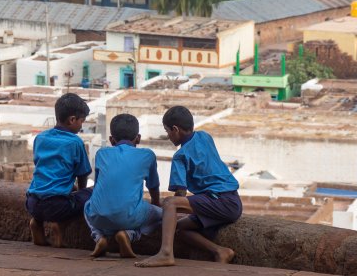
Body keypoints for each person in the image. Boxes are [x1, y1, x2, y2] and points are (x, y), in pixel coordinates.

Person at [136, 106, 241, 268]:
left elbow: (180, 194)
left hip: (220, 201)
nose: (168, 136)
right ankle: (220, 251)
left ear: (175, 129)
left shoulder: (180, 156)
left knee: (170, 203)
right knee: (179, 229)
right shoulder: (205, 136)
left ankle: (165, 253)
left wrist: (164, 209)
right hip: (231, 200)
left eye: (167, 131)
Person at [85, 114, 161, 259]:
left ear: (111, 140)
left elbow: (99, 185)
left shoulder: (101, 153)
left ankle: (99, 237)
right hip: (130, 216)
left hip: (98, 217)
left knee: (87, 205)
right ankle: (129, 235)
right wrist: (156, 204)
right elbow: (153, 187)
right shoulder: (147, 155)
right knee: (164, 216)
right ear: (138, 138)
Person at [26, 93, 92, 247]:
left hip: (32, 202)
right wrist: (80, 194)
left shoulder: (40, 138)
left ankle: (37, 222)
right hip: (56, 206)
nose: (82, 126)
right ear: (72, 120)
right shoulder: (75, 143)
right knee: (92, 193)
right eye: (82, 121)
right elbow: (82, 174)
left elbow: (43, 167)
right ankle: (59, 225)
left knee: (57, 194)